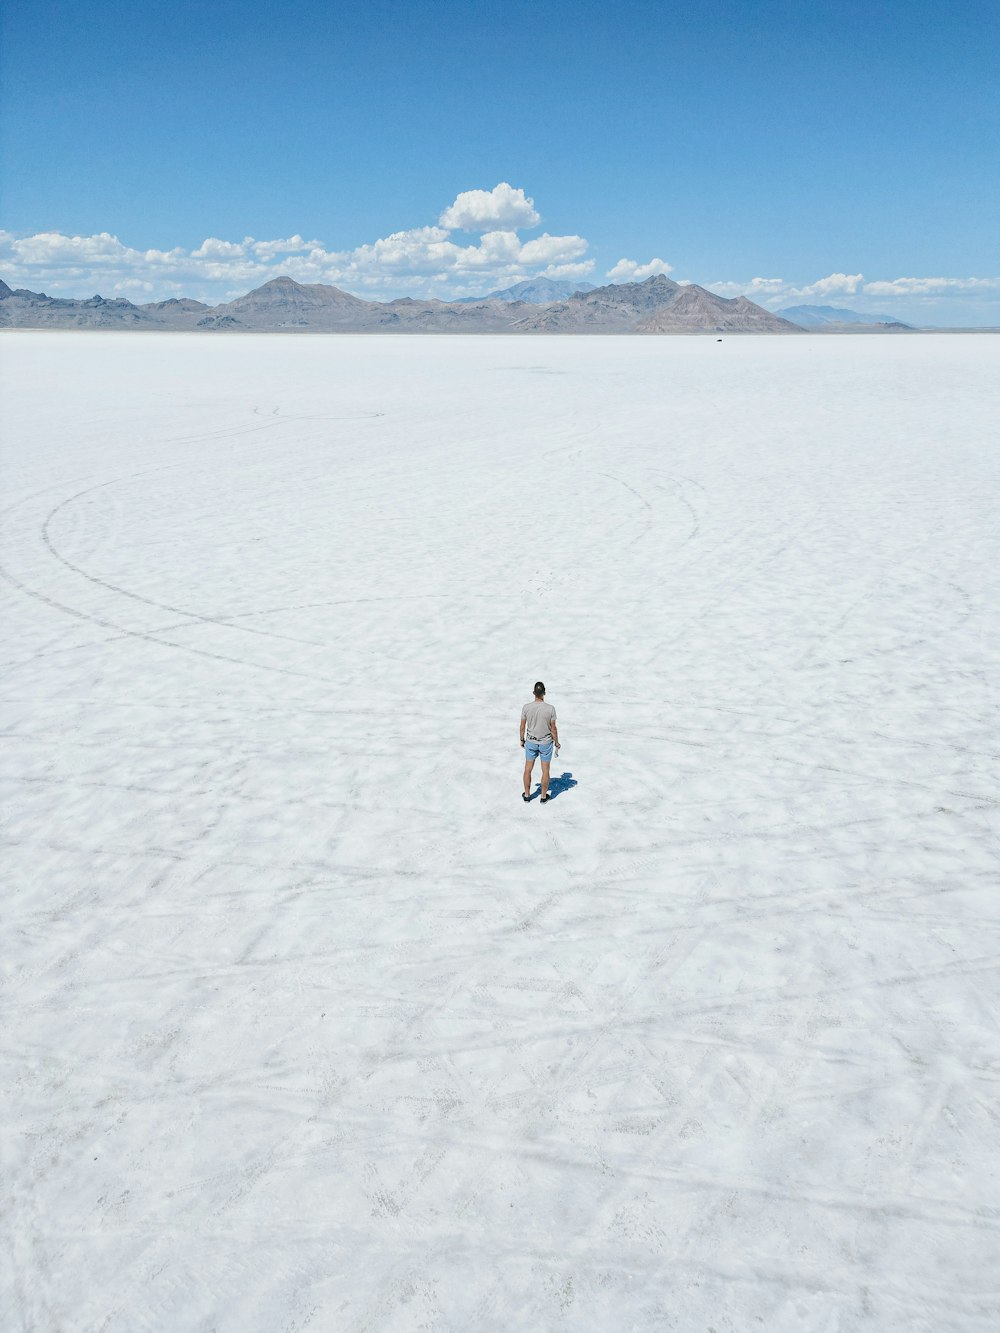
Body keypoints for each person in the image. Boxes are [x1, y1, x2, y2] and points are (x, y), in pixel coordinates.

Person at [520, 681, 559, 803]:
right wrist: (556, 742)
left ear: (533, 693)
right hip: (546, 743)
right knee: (545, 770)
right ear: (544, 693)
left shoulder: (526, 707)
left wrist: (522, 740)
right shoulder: (550, 709)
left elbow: (522, 726)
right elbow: (553, 728)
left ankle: (527, 795)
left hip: (531, 742)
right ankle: (543, 796)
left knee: (528, 769)